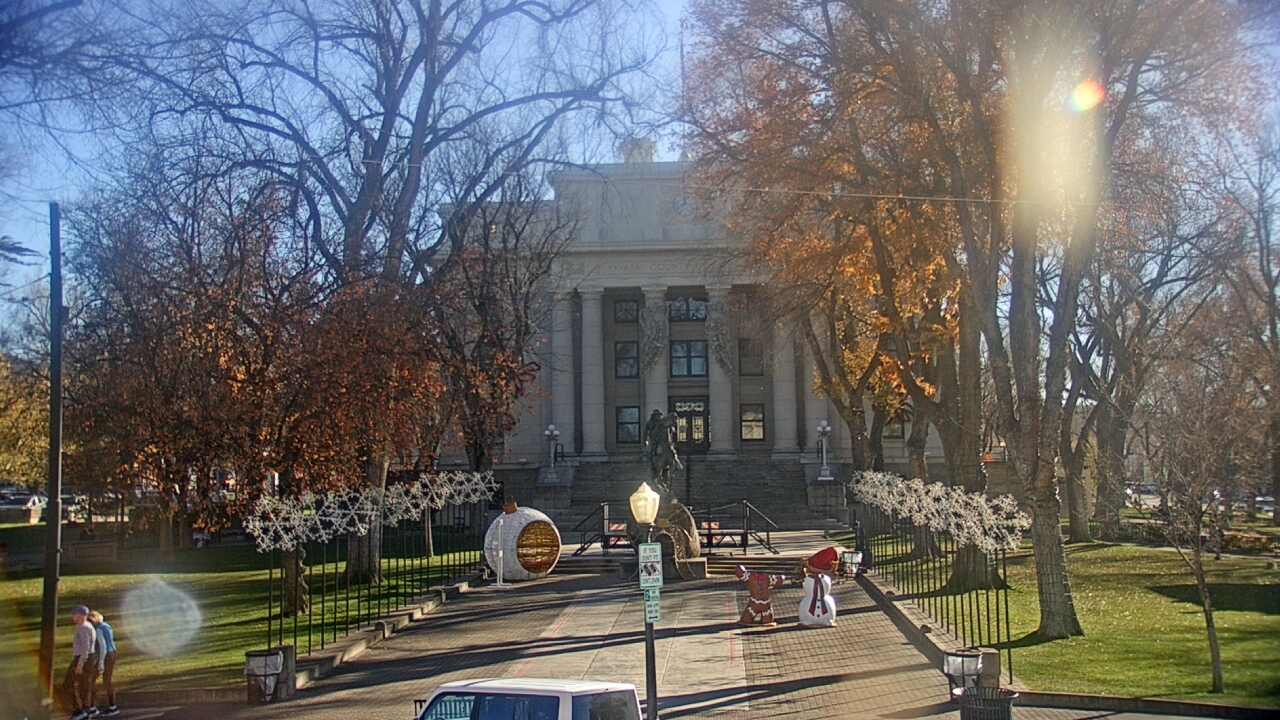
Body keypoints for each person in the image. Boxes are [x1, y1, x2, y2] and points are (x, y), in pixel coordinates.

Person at [62, 605, 97, 720]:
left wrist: (80, 664)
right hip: (86, 657)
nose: (73, 617)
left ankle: (79, 711)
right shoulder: (86, 626)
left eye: (75, 614)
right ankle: (85, 711)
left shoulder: (84, 628)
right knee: (83, 685)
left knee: (68, 684)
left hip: (82, 658)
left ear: (81, 616)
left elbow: (85, 648)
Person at [88, 611, 119, 716]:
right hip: (112, 653)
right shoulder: (106, 626)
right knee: (107, 680)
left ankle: (92, 707)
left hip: (105, 655)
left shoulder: (98, 629)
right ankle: (112, 706)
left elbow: (102, 646)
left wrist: (100, 663)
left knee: (91, 680)